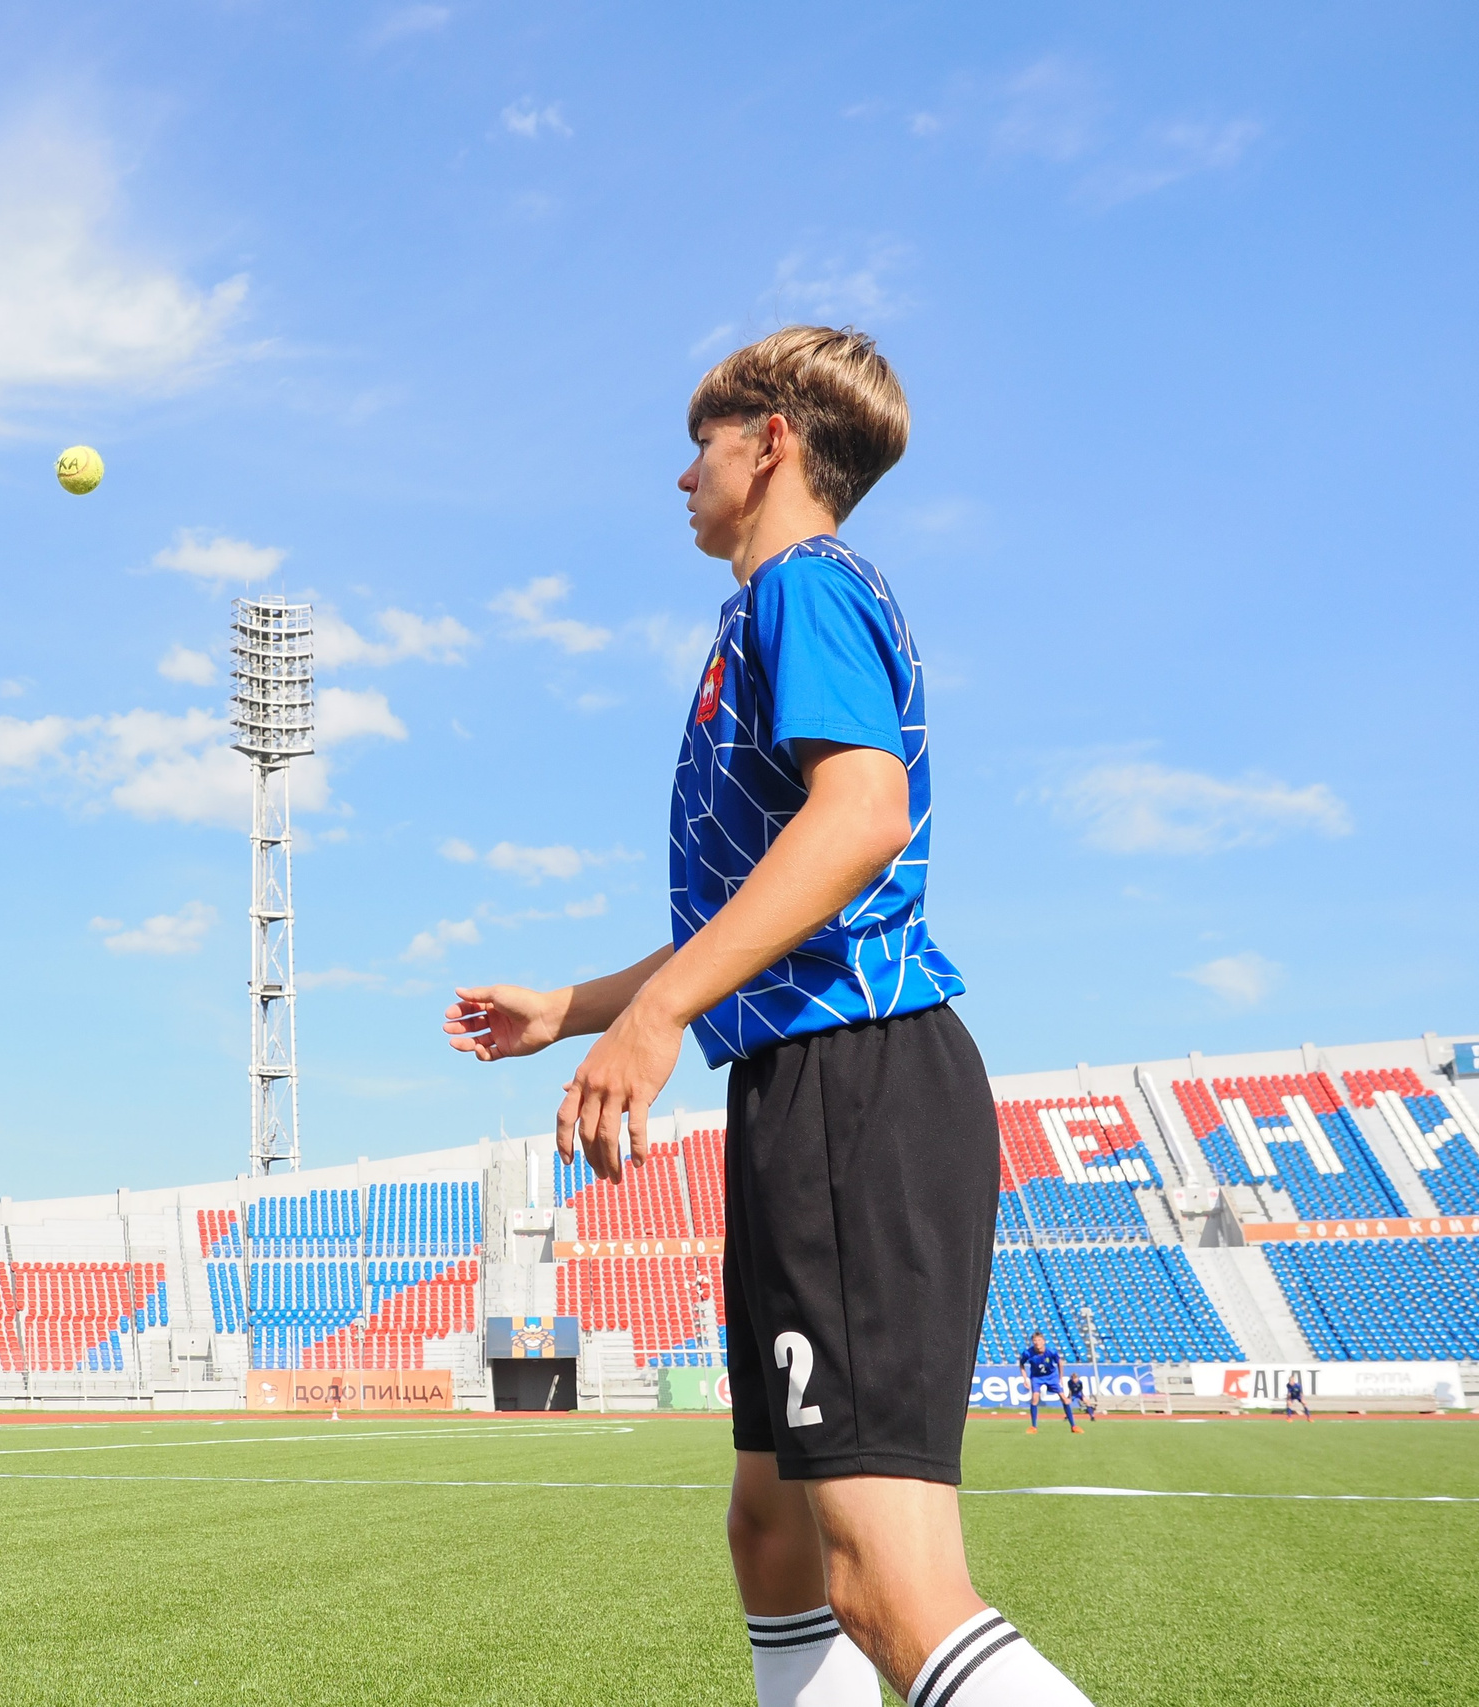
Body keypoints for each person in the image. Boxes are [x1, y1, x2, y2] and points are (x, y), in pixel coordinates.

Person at [444, 328, 1094, 1707]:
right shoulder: (781, 605)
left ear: (771, 443)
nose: (684, 475)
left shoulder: (804, 585)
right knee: (773, 1537)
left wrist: (659, 1015)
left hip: (854, 1088)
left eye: (703, 444)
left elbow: (860, 817)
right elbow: (763, 899)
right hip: (805, 1086)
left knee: (891, 1584)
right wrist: (576, 1007)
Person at [1019, 1333, 1076, 1435]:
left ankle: (1073, 1426)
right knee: (1035, 1398)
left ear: (1044, 1341)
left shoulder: (1051, 1351)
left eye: (1039, 1340)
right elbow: (1021, 1364)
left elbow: (1059, 1362)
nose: (1037, 1343)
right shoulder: (1028, 1353)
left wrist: (1060, 1377)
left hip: (1051, 1376)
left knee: (1064, 1398)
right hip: (1037, 1377)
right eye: (1035, 1340)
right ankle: (1033, 1427)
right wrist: (1025, 1378)